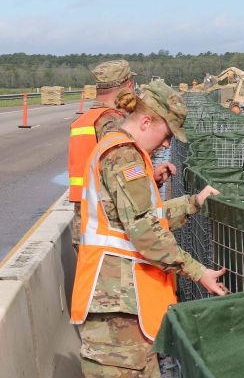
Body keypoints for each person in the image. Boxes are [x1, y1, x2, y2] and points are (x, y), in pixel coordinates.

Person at [71, 80, 229, 378]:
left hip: (115, 319)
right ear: (146, 121)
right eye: (166, 133)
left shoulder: (119, 152)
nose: (167, 144)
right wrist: (197, 271)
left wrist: (193, 203)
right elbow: (145, 234)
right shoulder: (124, 156)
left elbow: (145, 218)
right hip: (121, 321)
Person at [68, 60, 175, 249]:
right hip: (108, 226)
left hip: (86, 219)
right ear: (129, 85)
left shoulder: (86, 120)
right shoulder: (113, 123)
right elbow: (121, 179)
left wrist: (150, 177)